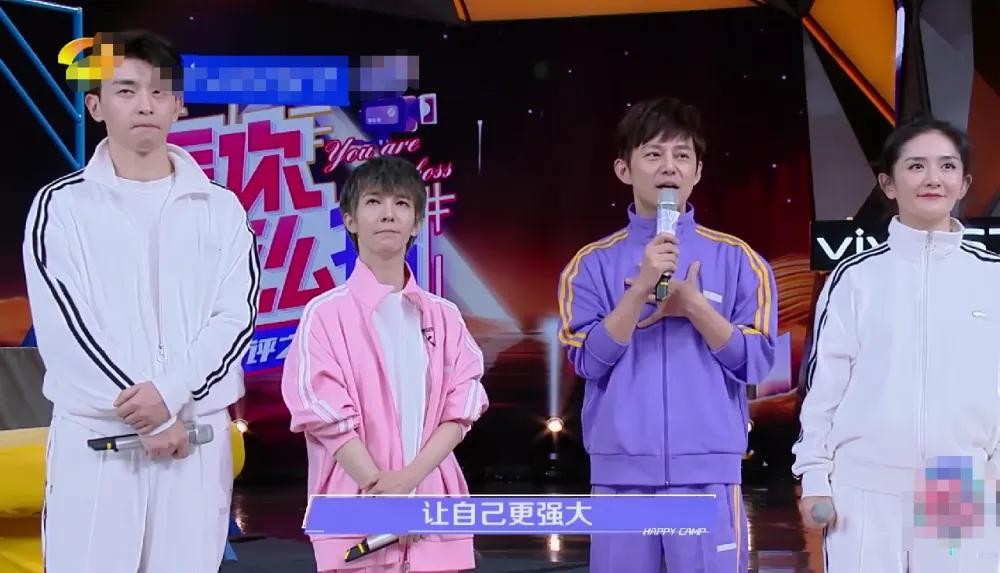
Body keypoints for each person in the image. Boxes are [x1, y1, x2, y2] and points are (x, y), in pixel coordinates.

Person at [23, 30, 260, 573]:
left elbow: (235, 318)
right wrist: (150, 418)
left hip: (194, 438)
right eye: (126, 91)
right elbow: (67, 328)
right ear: (95, 106)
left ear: (179, 105)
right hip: (98, 441)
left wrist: (172, 396)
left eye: (159, 91)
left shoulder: (220, 208)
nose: (145, 105)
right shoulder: (61, 207)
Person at [557, 96, 778, 573]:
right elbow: (587, 362)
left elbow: (757, 362)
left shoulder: (739, 260)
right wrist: (639, 290)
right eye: (653, 154)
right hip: (621, 478)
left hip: (708, 476)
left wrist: (695, 307)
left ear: (697, 171)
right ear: (624, 169)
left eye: (682, 155)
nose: (669, 167)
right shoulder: (590, 264)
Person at [792, 116, 1000, 572]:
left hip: (956, 485)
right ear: (888, 183)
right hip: (864, 485)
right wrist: (815, 478)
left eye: (947, 166)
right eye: (916, 166)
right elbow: (824, 387)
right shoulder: (854, 278)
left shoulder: (991, 277)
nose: (933, 178)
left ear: (964, 184)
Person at [281, 156, 488, 573]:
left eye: (401, 204)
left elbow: (462, 407)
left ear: (416, 222)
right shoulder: (325, 314)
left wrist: (410, 484)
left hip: (432, 506)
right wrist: (385, 497)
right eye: (374, 202)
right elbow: (323, 414)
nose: (388, 214)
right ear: (350, 219)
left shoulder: (444, 316)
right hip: (352, 511)